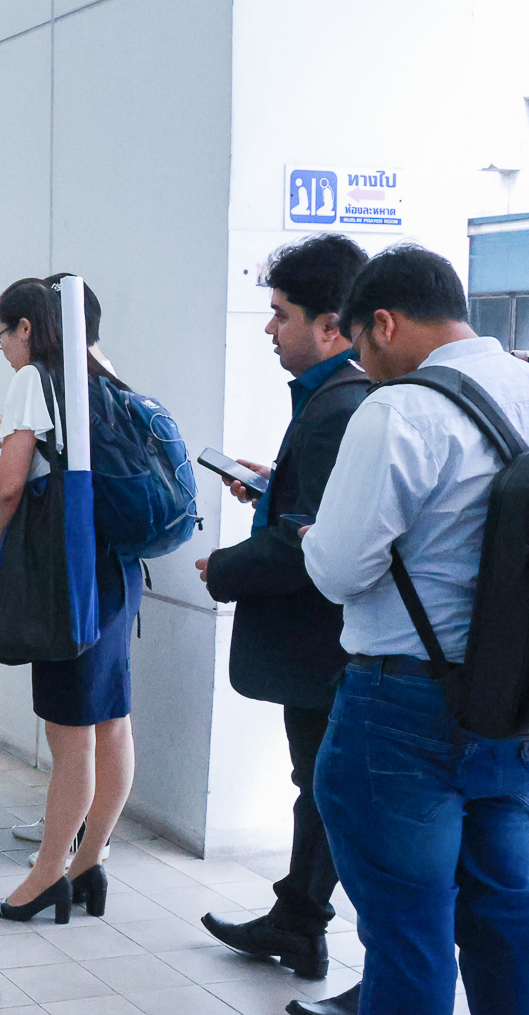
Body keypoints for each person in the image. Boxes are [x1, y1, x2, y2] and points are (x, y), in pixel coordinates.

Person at [303, 245, 529, 1015]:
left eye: (359, 344)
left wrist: (315, 535)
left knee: (410, 934)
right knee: (510, 917)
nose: (363, 365)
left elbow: (339, 570)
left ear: (383, 323)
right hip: (522, 706)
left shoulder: (398, 410)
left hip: (404, 708)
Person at [192, 235, 368, 993]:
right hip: (325, 643)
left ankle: (306, 924)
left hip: (326, 642)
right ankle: (297, 919)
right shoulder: (334, 398)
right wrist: (272, 489)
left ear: (332, 326)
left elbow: (309, 542)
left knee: (329, 791)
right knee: (316, 785)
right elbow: (314, 513)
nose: (269, 329)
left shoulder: (339, 406)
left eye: (281, 314)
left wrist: (225, 567)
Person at [0, 277, 140, 924]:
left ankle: (47, 876)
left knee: (69, 730)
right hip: (117, 566)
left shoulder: (35, 378)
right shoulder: (103, 373)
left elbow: (9, 488)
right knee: (112, 721)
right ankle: (89, 861)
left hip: (65, 571)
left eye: (4, 335)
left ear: (26, 328)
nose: (6, 350)